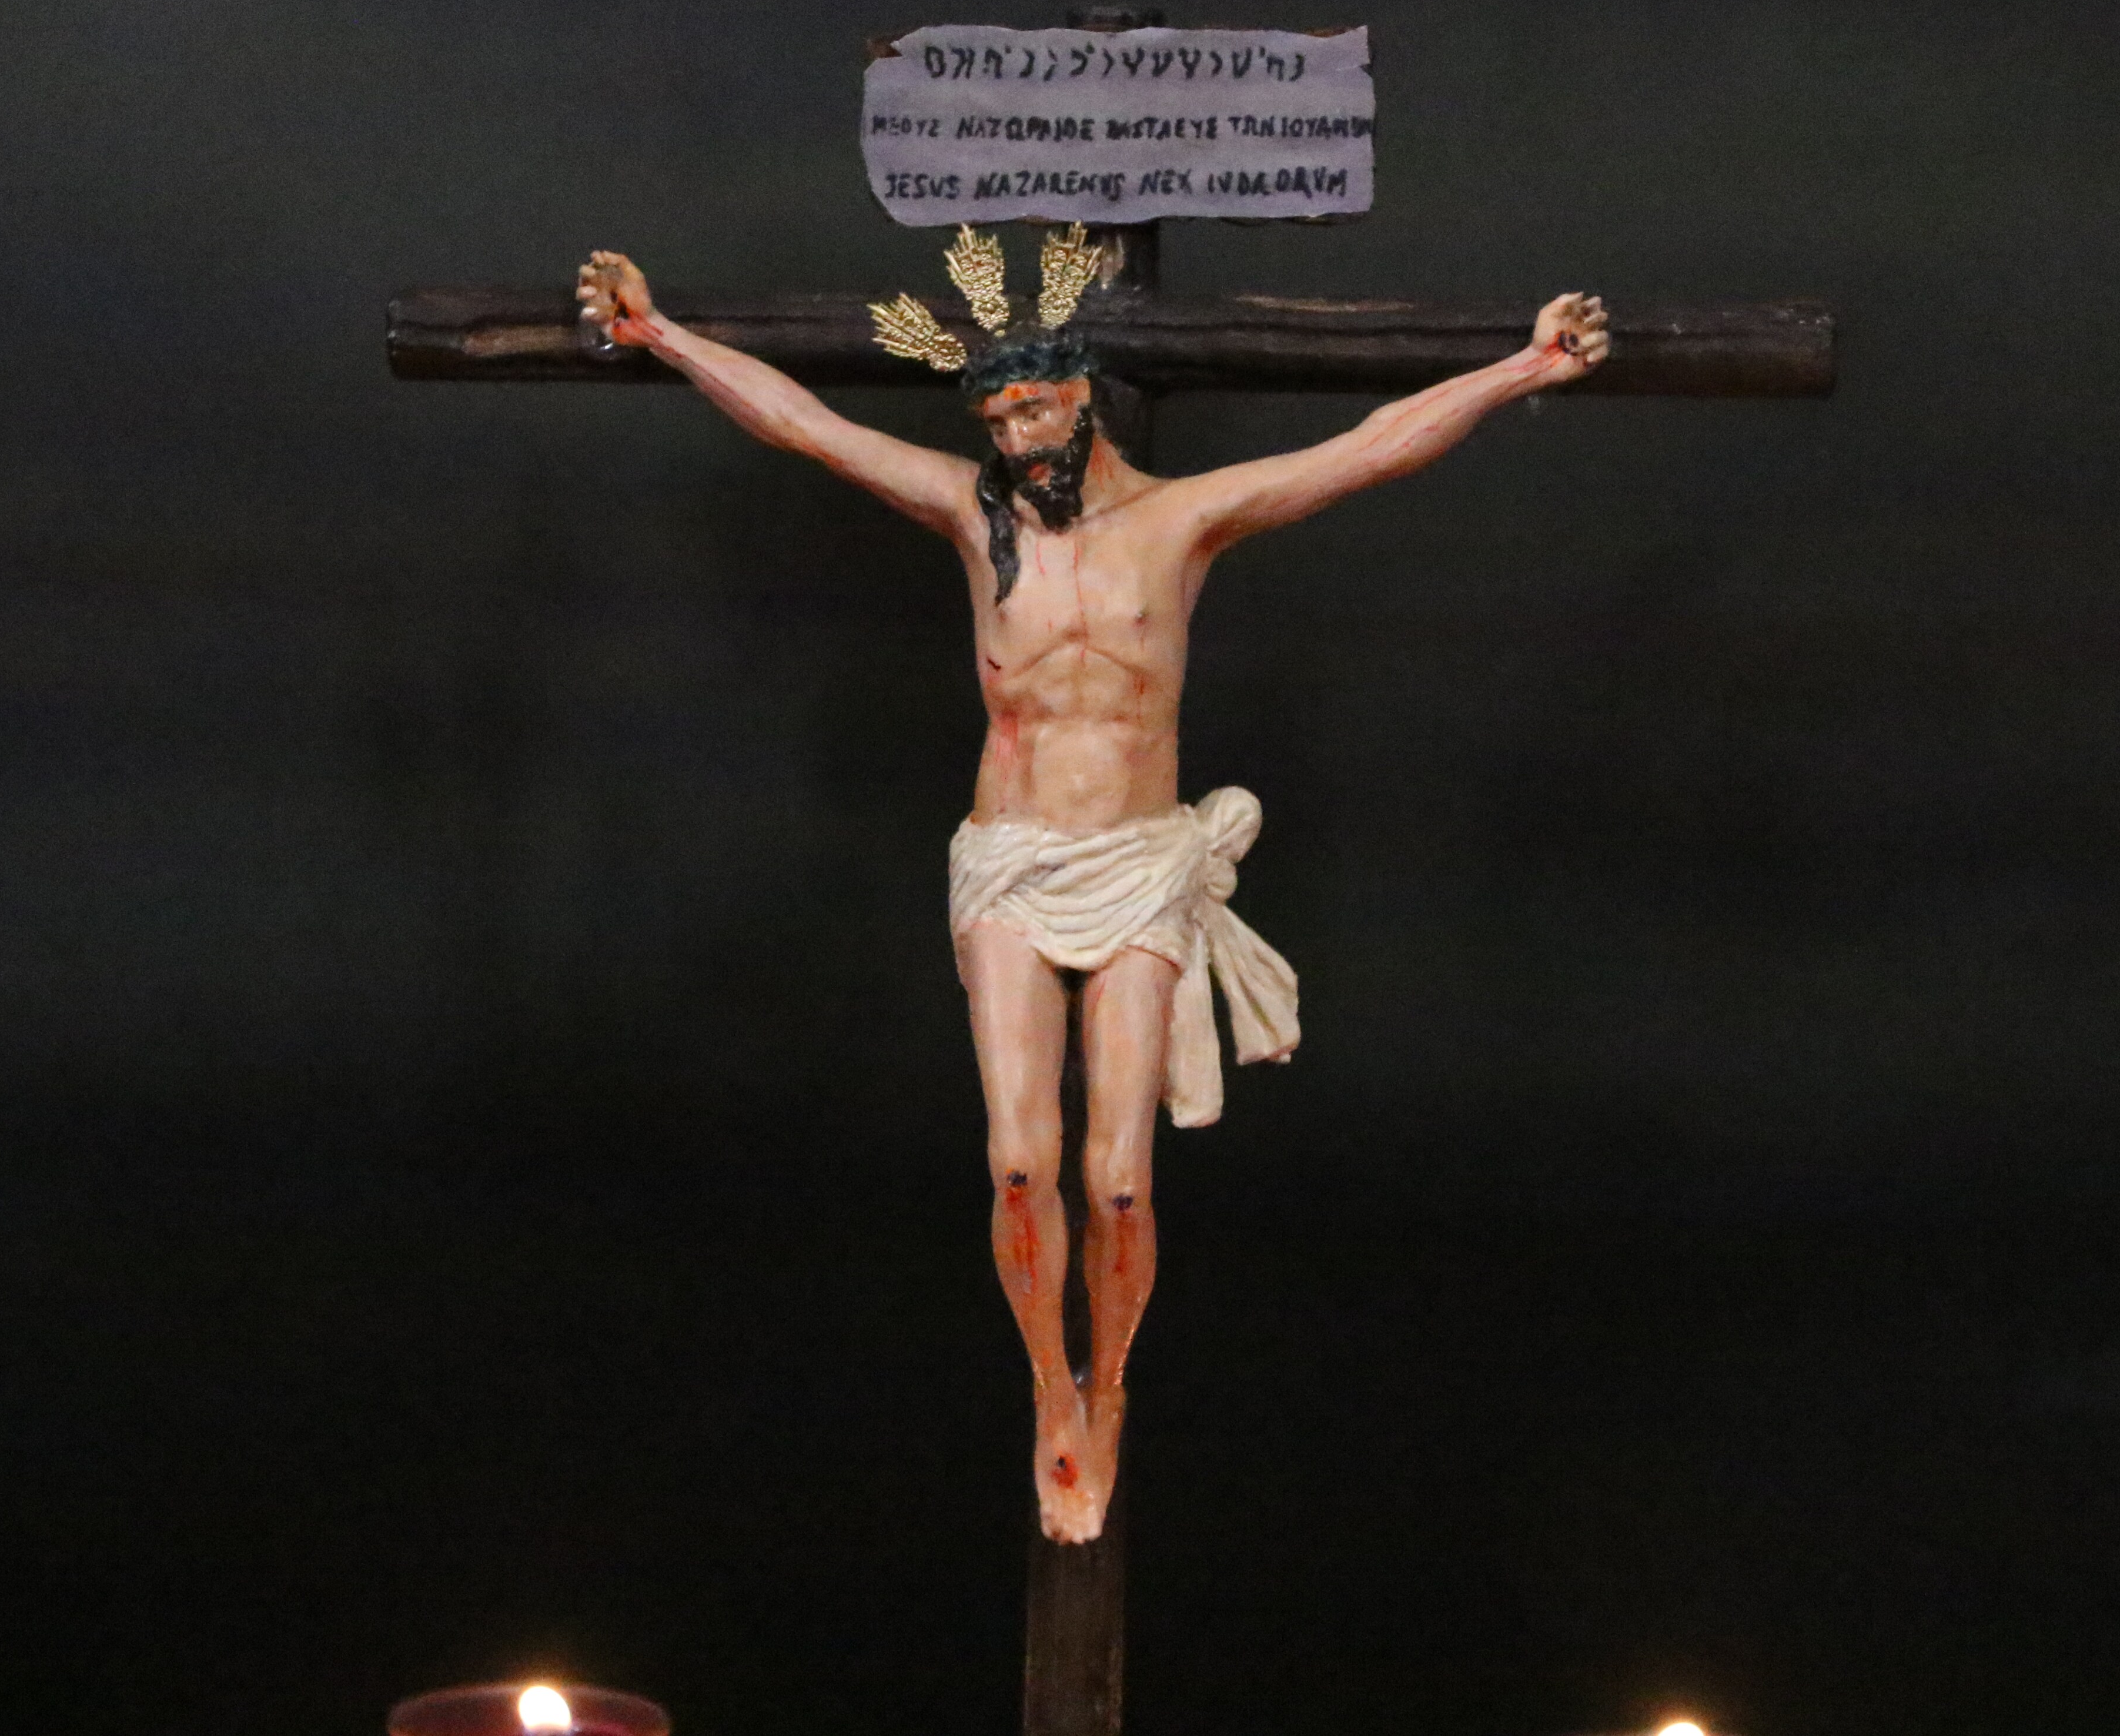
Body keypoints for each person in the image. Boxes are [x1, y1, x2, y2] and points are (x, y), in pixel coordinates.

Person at [577, 229, 1609, 1541]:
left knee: (1117, 1179)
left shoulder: (1178, 522)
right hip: (1010, 859)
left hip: (1134, 862)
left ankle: (1109, 1382)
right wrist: (661, 336)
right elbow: (807, 426)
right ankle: (1046, 1390)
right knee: (1020, 1163)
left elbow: (1364, 447)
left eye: (1036, 406)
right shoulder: (971, 515)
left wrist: (1519, 368)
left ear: (1084, 398)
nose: (1014, 433)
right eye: (996, 414)